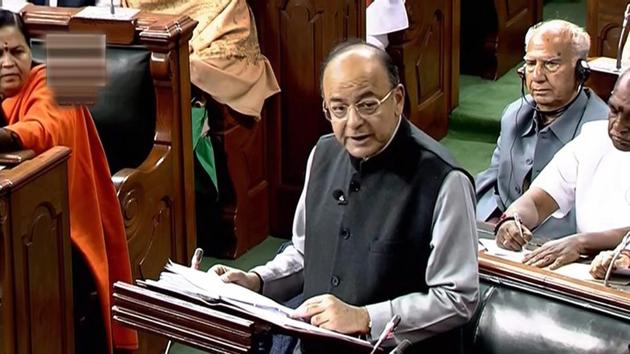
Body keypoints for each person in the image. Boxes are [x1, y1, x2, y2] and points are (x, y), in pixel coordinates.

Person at [211, 40, 479, 354]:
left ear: (397, 99)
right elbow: (305, 253)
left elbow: (458, 298)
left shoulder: (445, 180)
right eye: (338, 108)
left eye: (367, 105)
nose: (352, 123)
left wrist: (366, 317)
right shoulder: (323, 153)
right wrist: (257, 281)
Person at [0, 10, 136, 354]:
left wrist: (6, 137)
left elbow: (45, 130)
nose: (7, 63)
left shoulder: (59, 78)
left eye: (16, 52)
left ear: (30, 52)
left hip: (69, 233)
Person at [476, 20, 608, 239]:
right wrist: (491, 222)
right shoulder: (515, 113)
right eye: (530, 63)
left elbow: (594, 215)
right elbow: (492, 180)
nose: (536, 76)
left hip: (561, 247)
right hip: (503, 234)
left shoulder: (600, 130)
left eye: (551, 64)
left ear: (581, 71)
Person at [494, 68, 630, 270]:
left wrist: (581, 243)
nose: (619, 126)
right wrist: (512, 220)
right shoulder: (594, 139)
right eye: (614, 110)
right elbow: (537, 201)